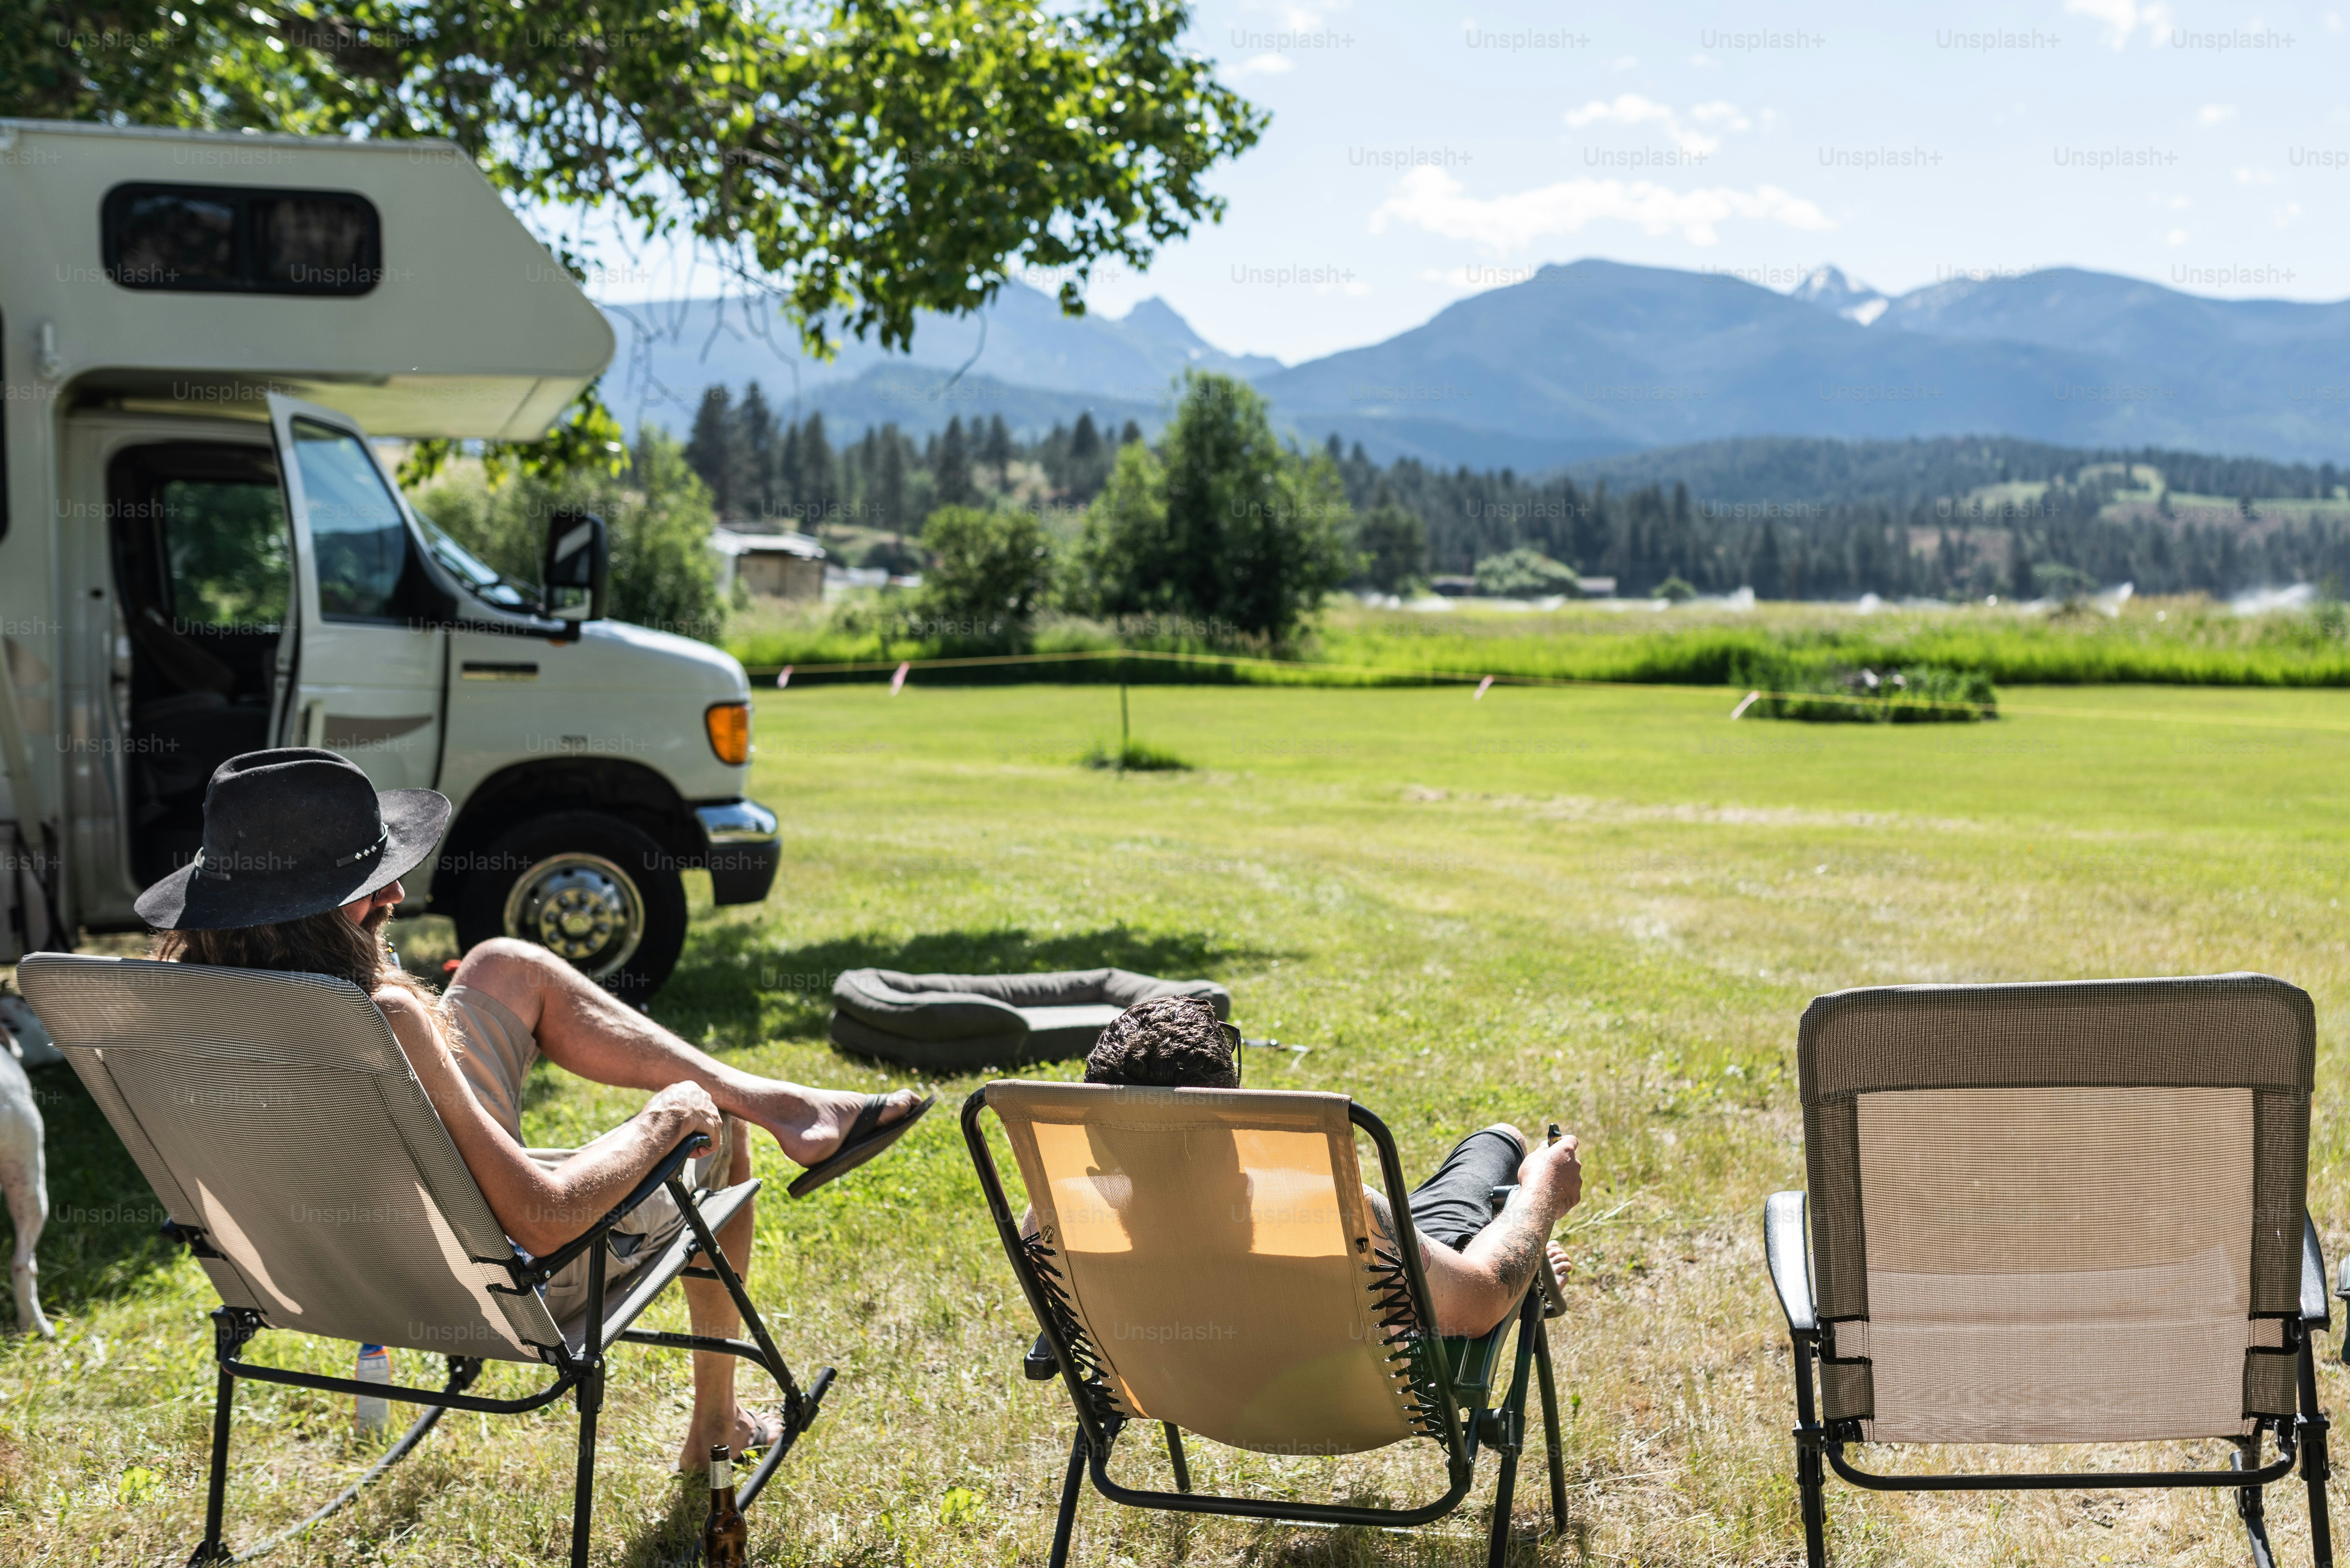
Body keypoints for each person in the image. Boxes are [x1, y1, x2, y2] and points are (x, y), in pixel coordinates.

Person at [137, 749, 930, 1468]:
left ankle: (786, 1104)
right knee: (710, 1136)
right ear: (325, 907)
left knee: (504, 965)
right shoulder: (383, 1019)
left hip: (313, 1268)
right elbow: (545, 1222)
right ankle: (718, 1422)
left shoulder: (173, 1013)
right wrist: (669, 1117)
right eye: (374, 884)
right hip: (484, 1285)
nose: (400, 895)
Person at [1058, 995, 1577, 1338]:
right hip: (1339, 1405)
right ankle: (1519, 1251)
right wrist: (1542, 1195)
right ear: (1228, 1110)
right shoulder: (1333, 1212)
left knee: (1467, 1174)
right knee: (1502, 1146)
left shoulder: (1059, 1223)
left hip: (1180, 1396)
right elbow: (1481, 1303)